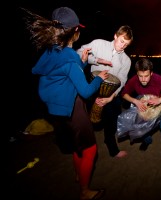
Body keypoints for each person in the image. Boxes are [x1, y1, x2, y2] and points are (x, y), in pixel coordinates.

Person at [22, 7, 108, 200]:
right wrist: (99, 78)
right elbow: (85, 90)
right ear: (74, 32)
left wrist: (82, 63)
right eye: (79, 29)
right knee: (90, 149)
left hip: (55, 110)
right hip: (71, 108)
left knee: (77, 146)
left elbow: (64, 73)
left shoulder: (51, 51)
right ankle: (85, 192)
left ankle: (80, 176)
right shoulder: (69, 58)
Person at [77, 25, 133, 158]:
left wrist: (110, 98)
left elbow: (121, 81)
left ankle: (112, 147)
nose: (123, 46)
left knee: (113, 120)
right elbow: (79, 53)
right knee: (88, 121)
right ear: (115, 36)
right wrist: (96, 60)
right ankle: (82, 151)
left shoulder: (126, 60)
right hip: (92, 89)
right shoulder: (98, 44)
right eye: (121, 41)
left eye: (126, 44)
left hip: (111, 94)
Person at [121, 58, 161, 156]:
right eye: (140, 76)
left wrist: (160, 100)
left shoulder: (159, 80)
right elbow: (124, 93)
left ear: (151, 73)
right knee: (142, 123)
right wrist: (136, 101)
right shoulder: (134, 80)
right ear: (137, 74)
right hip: (146, 104)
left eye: (146, 76)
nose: (143, 79)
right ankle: (147, 141)